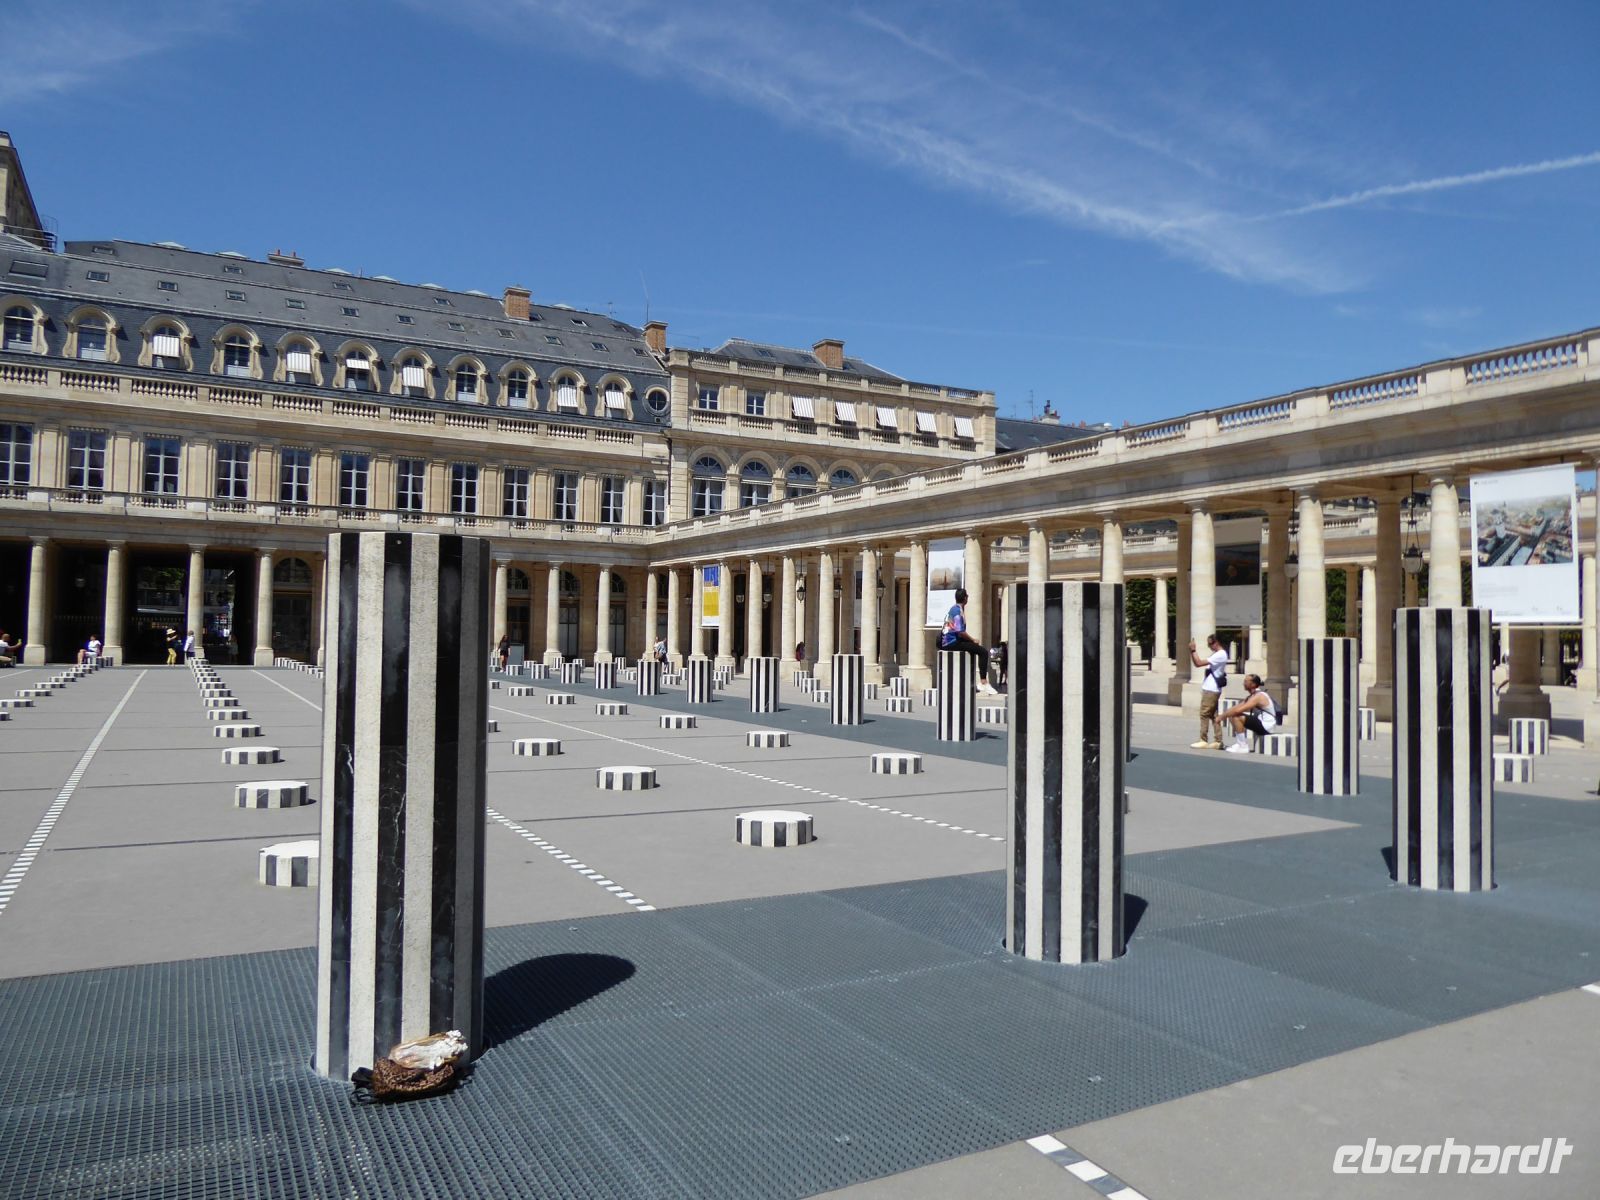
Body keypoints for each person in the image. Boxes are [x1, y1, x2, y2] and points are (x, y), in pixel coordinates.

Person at [940, 588, 998, 695]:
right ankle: (983, 682)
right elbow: (960, 631)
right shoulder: (957, 611)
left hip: (948, 641)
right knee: (983, 652)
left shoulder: (954, 608)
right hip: (951, 643)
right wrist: (973, 639)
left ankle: (970, 681)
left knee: (973, 648)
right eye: (967, 596)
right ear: (965, 598)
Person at [1219, 674, 1278, 753]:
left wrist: (1221, 718)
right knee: (1232, 715)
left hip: (1267, 725)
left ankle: (1242, 746)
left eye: (1246, 681)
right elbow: (1235, 708)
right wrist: (1222, 716)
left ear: (1253, 684)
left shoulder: (1259, 696)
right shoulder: (1252, 696)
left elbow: (1238, 711)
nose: (1243, 683)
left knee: (1237, 717)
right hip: (1261, 723)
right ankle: (1239, 743)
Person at [1189, 633, 1228, 749]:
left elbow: (1198, 663)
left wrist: (1193, 650)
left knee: (1204, 714)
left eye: (1210, 643)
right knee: (1213, 715)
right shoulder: (1217, 654)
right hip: (1211, 688)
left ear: (1217, 642)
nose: (1209, 646)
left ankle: (1203, 739)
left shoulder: (1220, 654)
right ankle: (1218, 740)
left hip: (1211, 689)